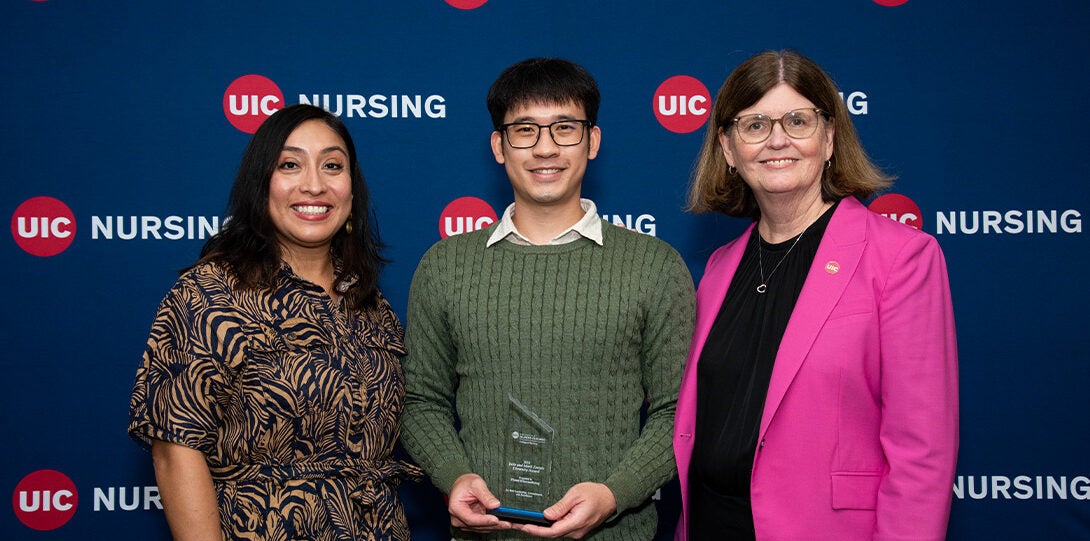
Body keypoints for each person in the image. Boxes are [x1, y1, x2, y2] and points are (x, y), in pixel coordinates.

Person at [400, 57, 696, 540]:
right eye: (524, 130)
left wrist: (615, 494)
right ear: (499, 146)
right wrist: (453, 476)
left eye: (564, 128)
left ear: (593, 141)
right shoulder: (445, 267)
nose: (545, 149)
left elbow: (679, 411)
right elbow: (421, 400)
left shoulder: (655, 266)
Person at [673, 50, 959, 541]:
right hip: (709, 524)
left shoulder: (901, 259)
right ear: (727, 147)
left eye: (797, 121)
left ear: (829, 138)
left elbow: (922, 453)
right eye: (755, 124)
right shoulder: (719, 268)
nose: (777, 140)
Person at [128, 104, 419, 540]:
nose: (315, 185)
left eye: (332, 166)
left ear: (352, 190)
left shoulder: (373, 307)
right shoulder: (210, 294)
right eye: (290, 164)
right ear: (261, 183)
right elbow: (175, 448)